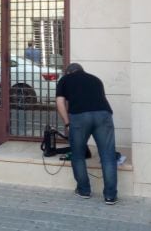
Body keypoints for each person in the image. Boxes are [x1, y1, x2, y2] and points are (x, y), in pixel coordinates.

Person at [56, 63, 118, 205]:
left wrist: (67, 123)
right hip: (103, 115)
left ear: (68, 72)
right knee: (108, 155)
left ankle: (84, 190)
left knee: (78, 155)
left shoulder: (65, 80)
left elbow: (60, 102)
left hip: (79, 117)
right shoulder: (96, 79)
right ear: (82, 71)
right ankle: (110, 196)